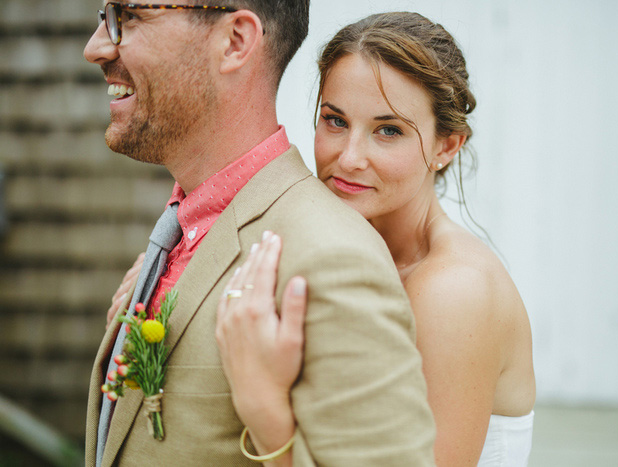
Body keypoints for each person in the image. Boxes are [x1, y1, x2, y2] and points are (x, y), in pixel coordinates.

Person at [84, 2, 436, 466]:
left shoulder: (331, 258)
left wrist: (268, 419)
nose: (96, 47)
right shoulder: (184, 226)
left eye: (128, 16)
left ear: (235, 41)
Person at [215, 12, 536, 466]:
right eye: (335, 121)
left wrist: (264, 408)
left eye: (389, 131)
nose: (349, 158)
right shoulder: (338, 254)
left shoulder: (454, 291)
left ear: (446, 147)